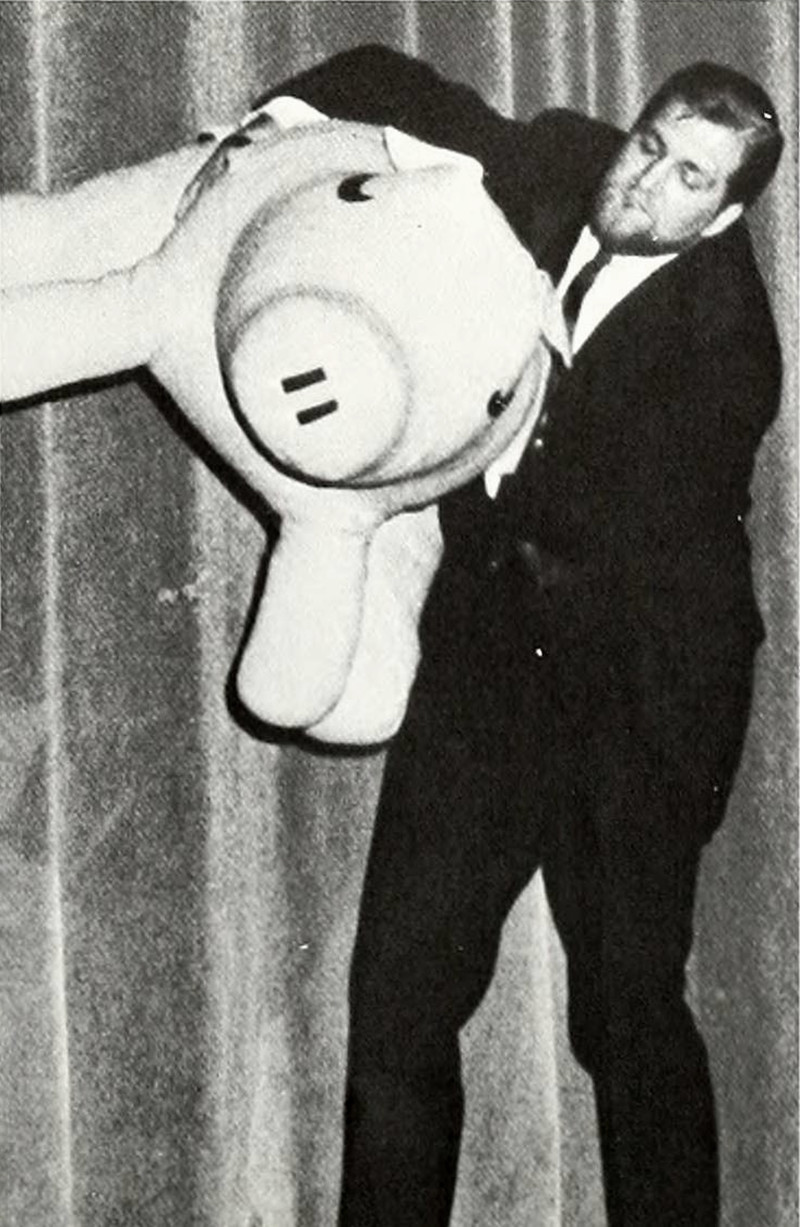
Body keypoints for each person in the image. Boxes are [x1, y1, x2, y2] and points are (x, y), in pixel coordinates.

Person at [257, 45, 784, 1225]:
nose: (642, 184)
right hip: (492, 669)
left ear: (721, 216)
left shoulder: (728, 351)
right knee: (397, 1002)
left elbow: (594, 505)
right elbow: (403, 90)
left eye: (687, 179)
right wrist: (270, 126)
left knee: (624, 1018)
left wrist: (505, 350)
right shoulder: (565, 163)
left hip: (637, 704)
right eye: (648, 146)